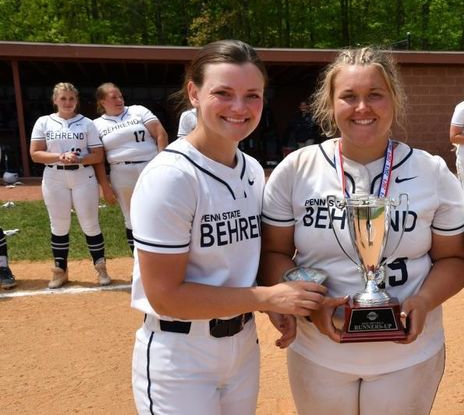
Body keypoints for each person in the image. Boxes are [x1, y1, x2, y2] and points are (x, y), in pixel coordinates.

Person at [261, 47, 464, 415]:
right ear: (330, 103)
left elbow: (453, 258)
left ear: (394, 99)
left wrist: (423, 300)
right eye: (349, 96)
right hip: (319, 350)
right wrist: (311, 307)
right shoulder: (297, 169)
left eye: (375, 94)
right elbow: (272, 254)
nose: (363, 108)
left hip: (407, 354)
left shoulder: (431, 171)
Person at [129, 40, 327, 414]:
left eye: (252, 95)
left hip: (241, 344)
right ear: (194, 93)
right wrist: (266, 298)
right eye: (223, 93)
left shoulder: (251, 169)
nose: (240, 108)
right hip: (181, 355)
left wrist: (269, 308)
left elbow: (241, 260)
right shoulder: (171, 176)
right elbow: (165, 295)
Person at [29, 82, 112, 289]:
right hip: (54, 177)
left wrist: (78, 159)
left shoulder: (87, 123)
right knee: (59, 225)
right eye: (63, 98)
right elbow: (35, 153)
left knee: (90, 223)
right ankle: (60, 270)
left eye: (71, 98)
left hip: (83, 176)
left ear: (77, 101)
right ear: (55, 100)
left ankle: (100, 266)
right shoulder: (44, 122)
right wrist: (59, 156)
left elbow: (98, 155)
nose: (67, 102)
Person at [92, 83, 168, 253]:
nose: (119, 100)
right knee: (131, 218)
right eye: (113, 97)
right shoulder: (96, 124)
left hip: (150, 166)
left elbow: (160, 134)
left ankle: (163, 256)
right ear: (102, 102)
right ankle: (138, 262)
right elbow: (98, 158)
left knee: (159, 212)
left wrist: (162, 164)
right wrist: (105, 186)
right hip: (121, 171)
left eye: (120, 96)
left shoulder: (138, 110)